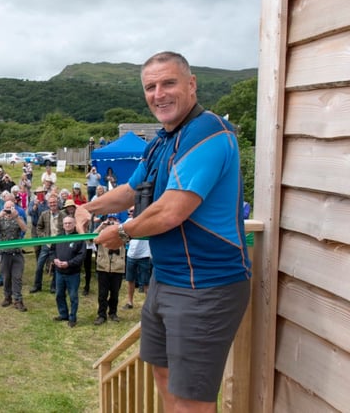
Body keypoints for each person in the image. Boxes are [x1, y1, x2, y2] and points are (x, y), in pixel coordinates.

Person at [75, 51, 251, 412]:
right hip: (166, 280)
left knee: (192, 400)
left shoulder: (209, 131)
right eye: (150, 87)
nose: (159, 94)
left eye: (168, 83)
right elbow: (132, 190)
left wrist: (122, 233)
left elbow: (172, 211)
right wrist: (88, 207)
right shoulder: (160, 140)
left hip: (205, 285)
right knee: (164, 377)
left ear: (191, 84)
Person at [0, 200, 27, 312]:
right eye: (6, 207)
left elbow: (24, 229)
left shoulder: (18, 217)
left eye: (11, 207)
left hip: (17, 253)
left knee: (17, 277)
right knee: (6, 277)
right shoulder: (0, 219)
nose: (8, 209)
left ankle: (18, 300)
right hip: (4, 253)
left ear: (14, 208)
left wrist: (16, 217)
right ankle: (7, 297)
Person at [51, 216, 85, 327]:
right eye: (65, 223)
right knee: (59, 294)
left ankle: (72, 318)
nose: (67, 225)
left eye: (70, 223)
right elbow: (52, 251)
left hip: (73, 273)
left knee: (73, 296)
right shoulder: (58, 237)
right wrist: (54, 259)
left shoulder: (79, 238)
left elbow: (81, 256)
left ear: (74, 224)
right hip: (59, 272)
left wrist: (69, 263)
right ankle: (63, 314)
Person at [92, 215, 125, 325]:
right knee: (102, 293)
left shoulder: (122, 232)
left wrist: (118, 227)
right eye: (109, 220)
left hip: (118, 267)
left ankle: (113, 313)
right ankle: (101, 315)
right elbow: (92, 239)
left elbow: (128, 237)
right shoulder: (102, 233)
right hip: (103, 266)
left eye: (113, 220)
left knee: (115, 293)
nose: (111, 222)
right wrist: (101, 226)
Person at [31, 195, 64, 294]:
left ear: (57, 203)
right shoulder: (44, 214)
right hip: (47, 245)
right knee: (39, 266)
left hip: (58, 245)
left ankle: (53, 287)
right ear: (48, 204)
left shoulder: (63, 215)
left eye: (54, 202)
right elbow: (39, 227)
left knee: (56, 267)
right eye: (50, 203)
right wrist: (43, 237)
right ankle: (37, 285)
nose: (52, 204)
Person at [123, 208, 152, 309]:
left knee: (146, 282)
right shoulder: (128, 221)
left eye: (132, 211)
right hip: (131, 255)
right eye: (129, 212)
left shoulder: (147, 221)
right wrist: (127, 241)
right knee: (130, 280)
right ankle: (129, 302)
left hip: (145, 255)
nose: (130, 213)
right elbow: (123, 236)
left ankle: (148, 305)